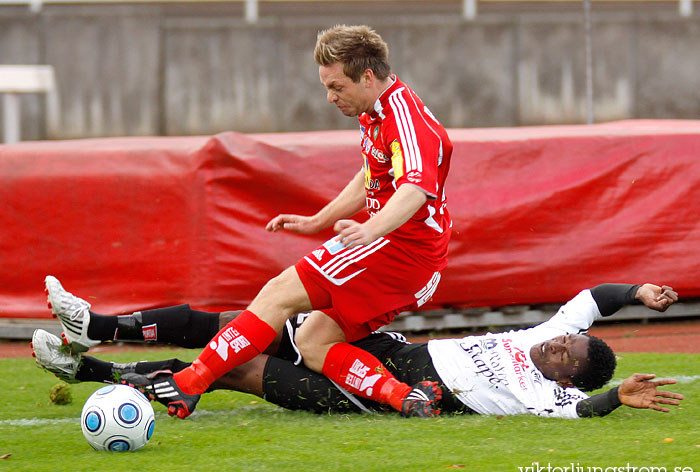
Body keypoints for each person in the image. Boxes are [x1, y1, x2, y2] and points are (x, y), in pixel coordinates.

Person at [50, 24, 454, 418]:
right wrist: (319, 220)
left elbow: (415, 189)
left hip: (399, 248)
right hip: (413, 258)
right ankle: (406, 398)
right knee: (314, 342)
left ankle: (191, 382)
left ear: (367, 77)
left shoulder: (405, 118)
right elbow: (372, 175)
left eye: (336, 87)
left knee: (276, 294)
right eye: (326, 86)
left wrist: (370, 229)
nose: (329, 97)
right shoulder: (378, 111)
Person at [36, 276, 683, 419]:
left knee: (236, 371)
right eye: (568, 339)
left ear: (569, 376)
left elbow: (582, 411)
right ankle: (100, 325)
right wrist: (642, 289)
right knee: (241, 323)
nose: (558, 346)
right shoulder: (549, 334)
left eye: (568, 353)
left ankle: (91, 365)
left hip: (402, 394)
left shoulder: (544, 396)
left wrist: (615, 399)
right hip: (399, 349)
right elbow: (595, 299)